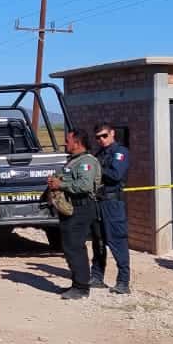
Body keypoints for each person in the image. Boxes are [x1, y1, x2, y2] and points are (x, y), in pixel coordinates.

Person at [48, 129, 101, 300]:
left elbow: (85, 185)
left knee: (75, 247)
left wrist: (61, 184)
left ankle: (81, 287)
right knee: (70, 246)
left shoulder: (87, 162)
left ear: (77, 143)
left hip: (81, 208)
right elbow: (67, 179)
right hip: (70, 209)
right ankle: (76, 284)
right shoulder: (73, 161)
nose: (65, 143)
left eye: (67, 140)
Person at [90, 123, 132, 294]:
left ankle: (123, 281)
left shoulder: (120, 152)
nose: (101, 139)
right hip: (98, 202)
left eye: (104, 136)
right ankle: (97, 276)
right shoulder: (99, 154)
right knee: (98, 241)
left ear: (112, 133)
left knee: (117, 240)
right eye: (98, 137)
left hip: (113, 204)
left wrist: (97, 168)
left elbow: (116, 175)